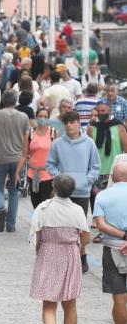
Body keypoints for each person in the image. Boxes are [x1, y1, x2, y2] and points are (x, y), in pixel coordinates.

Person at [29, 175, 90, 324]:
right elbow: (85, 235)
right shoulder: (77, 210)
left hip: (48, 253)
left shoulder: (43, 208)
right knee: (70, 303)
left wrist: (40, 249)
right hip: (69, 254)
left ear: (54, 188)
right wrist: (80, 250)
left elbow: (37, 234)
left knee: (48, 303)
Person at [45, 110, 101, 272]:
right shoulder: (58, 144)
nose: (69, 125)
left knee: (81, 227)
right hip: (62, 193)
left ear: (78, 123)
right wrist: (60, 179)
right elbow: (50, 164)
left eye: (72, 122)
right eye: (66, 122)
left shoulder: (89, 143)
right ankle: (65, 258)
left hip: (82, 192)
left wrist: (86, 180)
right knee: (62, 227)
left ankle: (82, 254)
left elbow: (95, 166)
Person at [93, 163, 127, 324]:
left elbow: (101, 225)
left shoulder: (102, 196)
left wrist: (123, 236)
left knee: (119, 295)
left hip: (113, 247)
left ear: (112, 177)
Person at [0, 90, 29, 233]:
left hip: (0, 158)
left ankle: (0, 208)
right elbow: (26, 138)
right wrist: (24, 155)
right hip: (17, 158)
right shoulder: (23, 117)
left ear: (3, 101)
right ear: (16, 101)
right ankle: (11, 225)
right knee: (13, 191)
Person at [87, 101, 127, 211]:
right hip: (96, 170)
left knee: (113, 201)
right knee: (96, 198)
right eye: (98, 111)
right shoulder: (91, 128)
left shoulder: (119, 126)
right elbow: (88, 150)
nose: (100, 113)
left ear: (109, 111)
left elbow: (126, 149)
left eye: (103, 111)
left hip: (114, 171)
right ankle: (96, 220)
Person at [16, 108, 55, 208]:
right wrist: (17, 172)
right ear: (36, 118)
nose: (43, 119)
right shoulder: (30, 134)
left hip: (48, 175)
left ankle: (42, 223)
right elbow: (24, 154)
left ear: (48, 119)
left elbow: (59, 155)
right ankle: (38, 221)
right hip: (33, 174)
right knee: (35, 202)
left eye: (45, 117)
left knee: (45, 203)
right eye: (40, 116)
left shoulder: (53, 133)